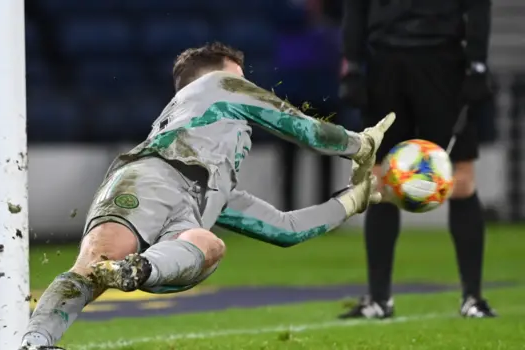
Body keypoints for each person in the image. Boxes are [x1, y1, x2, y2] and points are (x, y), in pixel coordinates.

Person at [19, 42, 396, 349]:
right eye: (241, 80)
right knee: (92, 265)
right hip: (152, 176)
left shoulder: (219, 189)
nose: (249, 89)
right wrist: (358, 144)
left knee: (208, 244)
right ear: (212, 77)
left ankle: (137, 268)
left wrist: (352, 201)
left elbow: (286, 229)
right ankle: (34, 343)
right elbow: (302, 128)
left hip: (187, 212)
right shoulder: (215, 85)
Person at [338, 0, 495, 319]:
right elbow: (355, 7)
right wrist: (352, 64)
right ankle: (379, 300)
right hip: (385, 63)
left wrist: (478, 64)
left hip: (444, 61)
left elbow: (478, 4)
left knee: (461, 179)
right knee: (380, 182)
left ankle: (473, 298)